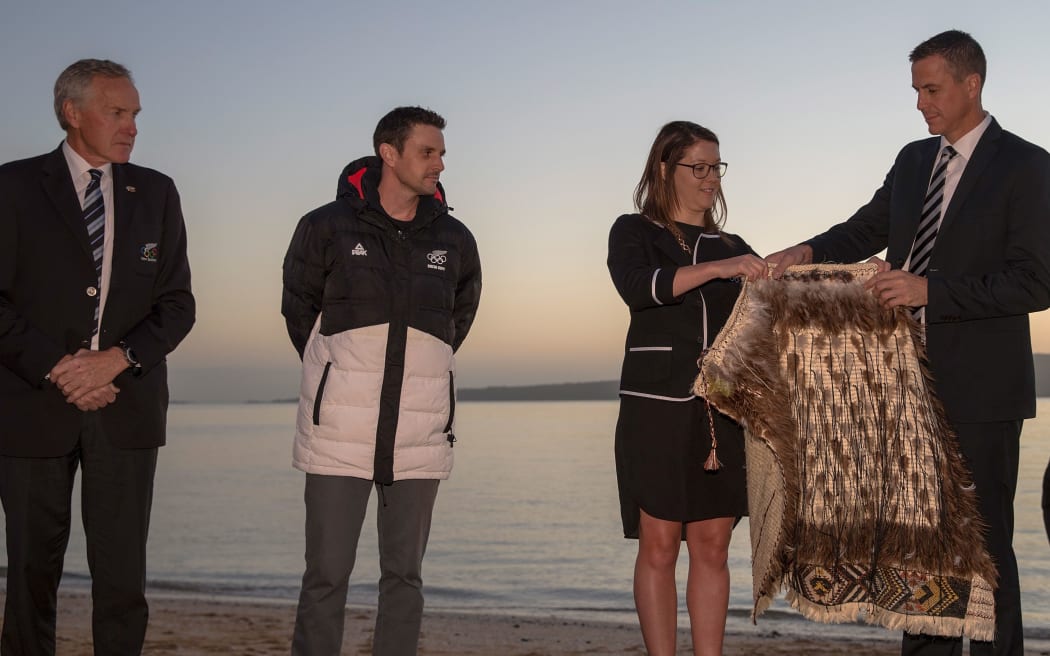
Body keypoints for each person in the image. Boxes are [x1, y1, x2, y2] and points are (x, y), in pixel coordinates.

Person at [767, 30, 1050, 656]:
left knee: (984, 549)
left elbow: (1036, 280)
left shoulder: (1028, 166)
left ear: (971, 83)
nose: (921, 103)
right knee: (916, 549)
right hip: (901, 386)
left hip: (982, 392)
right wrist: (806, 252)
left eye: (932, 88)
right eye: (916, 90)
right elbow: (865, 227)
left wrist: (932, 291)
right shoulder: (911, 160)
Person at [0, 59, 195, 655]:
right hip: (31, 407)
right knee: (30, 575)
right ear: (72, 112)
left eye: (135, 114)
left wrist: (116, 359)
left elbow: (178, 305)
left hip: (125, 407)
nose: (131, 126)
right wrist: (63, 368)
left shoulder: (156, 192)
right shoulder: (10, 186)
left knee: (122, 583)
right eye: (117, 112)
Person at [281, 106, 482, 656]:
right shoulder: (324, 226)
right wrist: (337, 372)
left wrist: (421, 378)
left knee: (405, 578)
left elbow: (457, 319)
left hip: (418, 437)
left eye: (441, 152)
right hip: (338, 433)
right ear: (388, 154)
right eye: (428, 151)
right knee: (325, 576)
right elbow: (300, 311)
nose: (440, 162)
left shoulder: (455, 238)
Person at [606, 121, 766, 656]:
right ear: (664, 169)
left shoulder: (736, 245)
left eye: (715, 167)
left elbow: (773, 318)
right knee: (657, 545)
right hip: (656, 410)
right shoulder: (634, 231)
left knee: (714, 545)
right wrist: (721, 267)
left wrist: (850, 280)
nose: (710, 179)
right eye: (697, 167)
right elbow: (641, 288)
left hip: (723, 410)